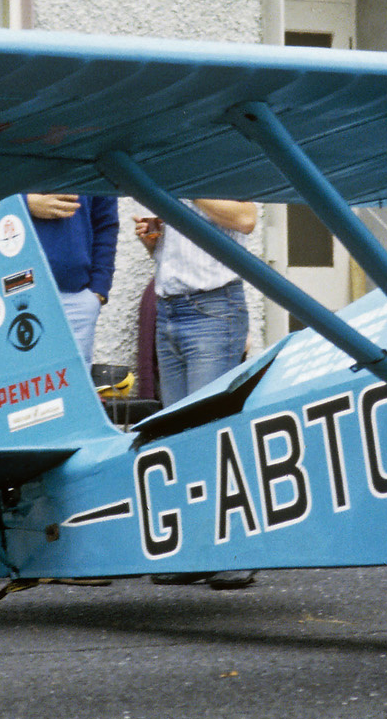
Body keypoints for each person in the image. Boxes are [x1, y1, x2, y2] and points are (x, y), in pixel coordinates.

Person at [139, 199, 259, 591]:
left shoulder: (216, 160)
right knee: (179, 440)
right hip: (171, 309)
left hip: (213, 306)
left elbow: (246, 218)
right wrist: (155, 242)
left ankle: (237, 552)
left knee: (214, 434)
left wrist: (179, 191)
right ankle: (194, 553)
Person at [26, 193, 118, 365]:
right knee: (18, 386)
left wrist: (98, 290)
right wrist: (25, 204)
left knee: (73, 388)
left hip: (76, 302)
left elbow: (105, 222)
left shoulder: (93, 165)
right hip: (14, 298)